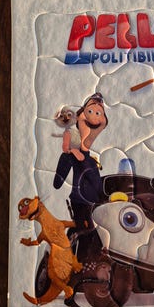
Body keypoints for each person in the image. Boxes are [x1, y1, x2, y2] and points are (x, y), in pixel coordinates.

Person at [53, 93, 108, 230]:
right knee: (82, 230)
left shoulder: (91, 161)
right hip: (79, 202)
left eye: (98, 113)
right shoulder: (71, 154)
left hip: (95, 205)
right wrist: (73, 152)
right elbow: (58, 181)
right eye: (90, 111)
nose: (94, 116)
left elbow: (98, 186)